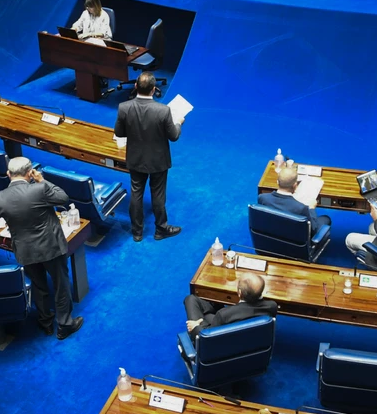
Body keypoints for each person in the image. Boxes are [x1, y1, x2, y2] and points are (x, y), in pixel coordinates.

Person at [0, 157, 83, 340]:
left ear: (8, 174)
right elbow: (63, 197)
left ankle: (46, 323)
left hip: (26, 250)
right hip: (51, 247)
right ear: (29, 173)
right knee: (61, 285)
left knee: (39, 286)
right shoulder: (39, 189)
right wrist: (42, 180)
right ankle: (64, 324)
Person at [114, 72, 184, 242]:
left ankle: (137, 232)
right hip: (158, 160)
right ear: (154, 90)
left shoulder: (124, 107)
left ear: (136, 86)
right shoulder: (163, 111)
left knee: (136, 193)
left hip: (135, 158)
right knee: (158, 195)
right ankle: (161, 229)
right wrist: (178, 123)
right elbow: (173, 136)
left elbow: (119, 132)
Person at [183, 273, 277, 339]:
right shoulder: (272, 306)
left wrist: (196, 327)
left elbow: (209, 337)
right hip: (250, 341)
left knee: (190, 299)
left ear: (239, 293)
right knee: (208, 312)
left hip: (224, 343)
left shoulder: (224, 315)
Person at [257, 168, 331, 230]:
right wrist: (311, 209)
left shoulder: (262, 198)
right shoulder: (301, 208)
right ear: (295, 185)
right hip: (293, 240)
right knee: (325, 219)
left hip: (271, 234)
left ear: (277, 182)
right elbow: (313, 229)